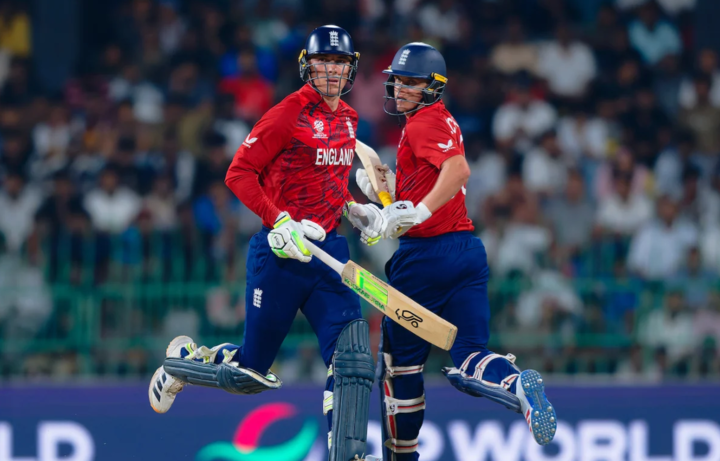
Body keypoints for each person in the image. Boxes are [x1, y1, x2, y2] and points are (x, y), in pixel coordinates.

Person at [149, 25, 385, 461]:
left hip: (328, 253)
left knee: (352, 360)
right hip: (280, 254)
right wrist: (280, 220)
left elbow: (327, 180)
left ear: (351, 69)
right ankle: (182, 362)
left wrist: (355, 209)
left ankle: (348, 453)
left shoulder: (349, 119)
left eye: (339, 62)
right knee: (250, 374)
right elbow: (238, 173)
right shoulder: (287, 113)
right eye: (323, 62)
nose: (331, 70)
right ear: (307, 66)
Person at [356, 43, 557, 460]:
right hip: (466, 253)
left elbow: (459, 170)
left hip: (424, 259)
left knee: (399, 367)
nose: (400, 89)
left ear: (433, 87)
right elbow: (432, 182)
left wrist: (417, 212)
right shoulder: (442, 120)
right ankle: (517, 385)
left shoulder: (421, 124)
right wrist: (388, 193)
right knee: (471, 356)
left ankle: (403, 456)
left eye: (411, 83)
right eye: (398, 81)